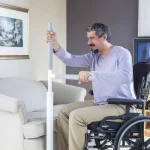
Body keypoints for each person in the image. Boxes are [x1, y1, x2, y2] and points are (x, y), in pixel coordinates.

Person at [46, 23, 136, 150]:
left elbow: (125, 76)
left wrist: (93, 74)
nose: (89, 42)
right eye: (88, 38)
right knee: (63, 111)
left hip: (121, 105)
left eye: (92, 38)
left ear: (104, 37)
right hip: (101, 103)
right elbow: (70, 59)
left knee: (77, 116)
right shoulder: (94, 56)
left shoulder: (122, 53)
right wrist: (54, 43)